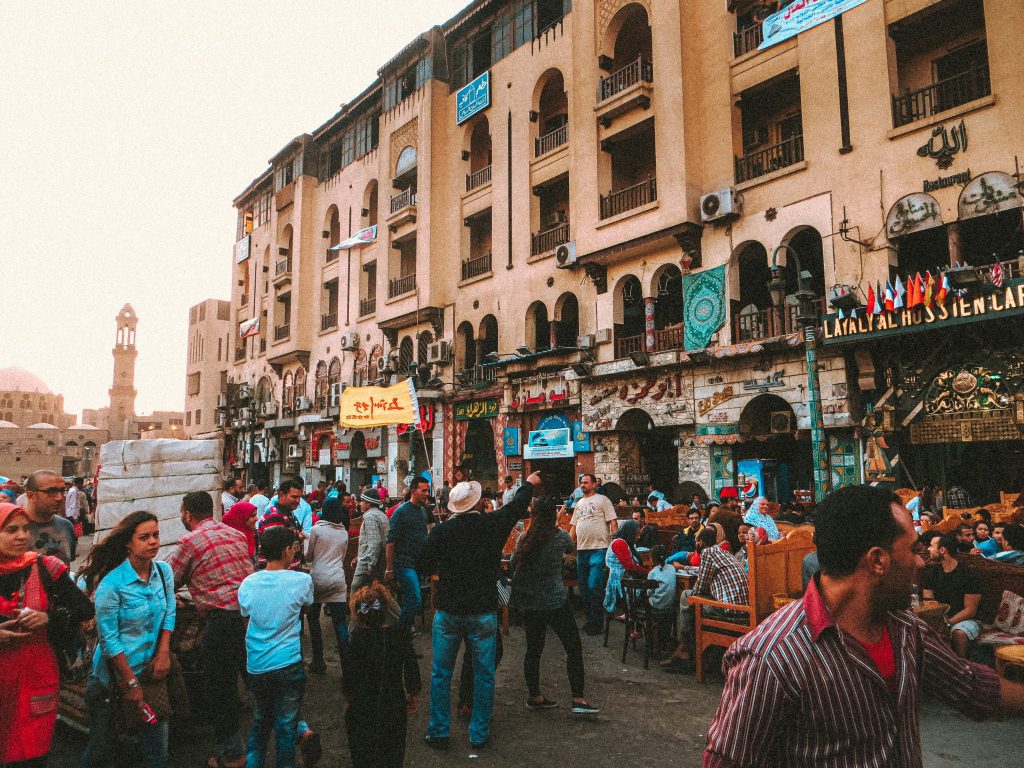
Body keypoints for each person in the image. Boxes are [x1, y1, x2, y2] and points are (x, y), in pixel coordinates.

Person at [703, 484, 1024, 768]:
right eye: (912, 550)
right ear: (877, 561)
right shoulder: (772, 657)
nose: (921, 562)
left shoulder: (908, 631)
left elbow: (972, 688)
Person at [419, 472, 540, 750]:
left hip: (448, 610)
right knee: (484, 674)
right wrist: (528, 484)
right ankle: (479, 733)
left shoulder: (440, 532)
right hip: (482, 611)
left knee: (441, 674)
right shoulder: (492, 525)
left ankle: (439, 731)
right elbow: (514, 508)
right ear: (476, 504)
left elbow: (423, 566)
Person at [0, 502, 94, 768]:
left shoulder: (45, 567)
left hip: (37, 674)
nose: (21, 536)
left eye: (24, 529)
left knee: (32, 753)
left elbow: (84, 609)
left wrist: (50, 618)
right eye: (11, 530)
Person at [80, 511, 175, 768]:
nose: (153, 542)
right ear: (128, 543)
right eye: (144, 537)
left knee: (157, 751)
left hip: (151, 675)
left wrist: (163, 654)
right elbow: (109, 639)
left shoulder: (164, 573)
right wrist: (130, 682)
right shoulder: (112, 585)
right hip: (111, 681)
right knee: (101, 751)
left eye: (156, 535)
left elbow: (169, 615)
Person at [167, 491, 254, 768]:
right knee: (258, 680)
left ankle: (233, 754)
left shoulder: (189, 541)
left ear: (187, 514)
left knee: (222, 689)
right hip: (250, 617)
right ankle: (299, 728)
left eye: (182, 513)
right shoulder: (235, 534)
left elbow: (168, 580)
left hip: (222, 621)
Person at [238, 526, 319, 768]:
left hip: (257, 664)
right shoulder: (302, 581)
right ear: (286, 550)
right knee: (286, 727)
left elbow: (246, 621)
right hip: (288, 662)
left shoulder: (248, 583)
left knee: (260, 723)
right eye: (293, 548)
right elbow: (305, 608)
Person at [510, 496, 598, 715]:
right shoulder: (559, 537)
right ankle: (578, 698)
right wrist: (558, 522)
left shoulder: (524, 538)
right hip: (554, 600)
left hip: (530, 601)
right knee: (573, 647)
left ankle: (535, 696)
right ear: (552, 515)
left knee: (533, 649)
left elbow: (513, 563)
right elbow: (570, 546)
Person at [341, 582, 420, 768]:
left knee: (363, 753)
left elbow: (349, 676)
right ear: (386, 609)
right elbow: (411, 666)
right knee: (393, 752)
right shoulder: (399, 636)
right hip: (393, 704)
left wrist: (347, 698)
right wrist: (413, 694)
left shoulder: (357, 640)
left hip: (362, 706)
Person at [661, 527, 749, 674]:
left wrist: (686, 574)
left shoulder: (707, 552)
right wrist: (685, 567)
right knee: (690, 603)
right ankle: (687, 646)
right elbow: (703, 571)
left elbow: (699, 587)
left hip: (728, 609)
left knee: (686, 597)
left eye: (697, 541)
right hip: (741, 606)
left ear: (700, 542)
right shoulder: (720, 551)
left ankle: (684, 646)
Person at [569, 473, 619, 635]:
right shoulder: (579, 503)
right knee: (583, 588)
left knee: (594, 585)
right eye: (581, 483)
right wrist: (569, 543)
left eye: (585, 482)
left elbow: (613, 521)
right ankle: (590, 620)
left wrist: (614, 542)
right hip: (582, 550)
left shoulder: (603, 500)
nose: (582, 485)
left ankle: (597, 622)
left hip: (599, 548)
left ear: (594, 484)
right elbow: (573, 526)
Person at [306, 496, 350, 670]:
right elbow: (343, 557)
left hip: (318, 579)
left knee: (313, 618)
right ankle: (347, 665)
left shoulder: (316, 530)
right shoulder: (343, 532)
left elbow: (309, 556)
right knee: (340, 623)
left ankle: (318, 660)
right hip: (337, 579)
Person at [922, 532, 982, 658]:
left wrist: (947, 623)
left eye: (932, 546)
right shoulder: (931, 573)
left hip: (965, 620)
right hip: (939, 618)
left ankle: (961, 668)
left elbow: (970, 610)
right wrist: (936, 622)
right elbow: (928, 602)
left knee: (959, 633)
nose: (928, 549)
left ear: (942, 550)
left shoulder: (969, 574)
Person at [385, 477, 431, 631]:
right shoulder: (400, 512)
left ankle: (403, 639)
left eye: (427, 490)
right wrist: (390, 569)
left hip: (417, 564)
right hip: (404, 564)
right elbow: (390, 542)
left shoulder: (423, 512)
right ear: (413, 491)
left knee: (411, 601)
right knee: (415, 600)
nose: (427, 494)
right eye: (423, 490)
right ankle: (400, 634)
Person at [24, 470, 76, 564]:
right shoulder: (12, 528)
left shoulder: (66, 526)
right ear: (31, 496)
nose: (60, 497)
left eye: (62, 491)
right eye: (51, 491)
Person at [257, 479, 306, 570]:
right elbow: (275, 552)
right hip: (279, 575)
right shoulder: (274, 516)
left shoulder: (288, 514)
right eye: (294, 497)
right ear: (281, 495)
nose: (298, 501)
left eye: (299, 497)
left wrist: (298, 538)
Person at [603, 520, 648, 615]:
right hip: (620, 580)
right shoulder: (619, 543)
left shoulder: (626, 543)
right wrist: (649, 572)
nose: (638, 537)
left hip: (624, 577)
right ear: (629, 533)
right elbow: (629, 566)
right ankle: (636, 616)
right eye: (636, 534)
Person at [351, 491, 390, 594]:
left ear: (369, 503)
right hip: (379, 562)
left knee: (356, 591)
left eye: (362, 501)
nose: (360, 504)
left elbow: (375, 543)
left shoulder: (370, 517)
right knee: (380, 594)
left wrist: (369, 565)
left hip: (368, 563)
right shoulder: (381, 515)